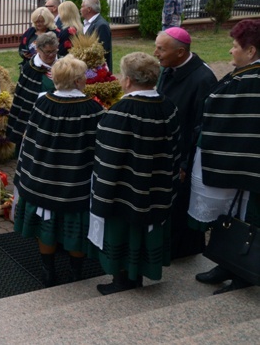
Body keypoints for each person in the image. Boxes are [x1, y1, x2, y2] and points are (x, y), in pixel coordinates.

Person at [89, 52, 180, 295]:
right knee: (144, 235)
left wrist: (101, 197)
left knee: (124, 237)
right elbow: (174, 148)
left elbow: (107, 160)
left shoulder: (119, 113)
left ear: (128, 80)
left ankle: (121, 281)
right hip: (156, 190)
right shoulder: (168, 106)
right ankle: (137, 276)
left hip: (123, 195)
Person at [14, 55, 104, 286]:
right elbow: (99, 150)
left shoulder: (42, 103)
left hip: (43, 181)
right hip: (77, 185)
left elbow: (30, 140)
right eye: (83, 76)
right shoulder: (93, 110)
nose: (86, 79)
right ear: (76, 81)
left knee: (47, 228)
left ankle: (49, 272)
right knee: (76, 232)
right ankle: (76, 273)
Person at [189, 19, 260, 294]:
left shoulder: (249, 81)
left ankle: (244, 273)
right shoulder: (243, 76)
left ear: (251, 50)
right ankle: (227, 264)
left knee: (251, 219)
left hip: (249, 168)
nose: (231, 51)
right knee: (234, 214)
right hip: (242, 166)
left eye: (234, 46)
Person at [154, 27, 217, 259]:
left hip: (185, 157)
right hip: (168, 151)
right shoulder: (168, 68)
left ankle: (184, 250)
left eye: (161, 49)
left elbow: (201, 125)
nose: (156, 53)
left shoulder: (203, 78)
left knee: (182, 206)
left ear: (180, 52)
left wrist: (183, 162)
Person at [7, 32, 58, 149]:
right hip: (35, 120)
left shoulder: (63, 65)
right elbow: (22, 98)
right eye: (48, 52)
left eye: (54, 51)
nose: (52, 55)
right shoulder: (30, 69)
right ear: (38, 50)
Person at [81, 0, 113, 70]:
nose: (80, 10)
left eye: (82, 7)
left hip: (98, 71)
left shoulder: (101, 25)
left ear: (89, 9)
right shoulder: (88, 23)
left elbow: (103, 50)